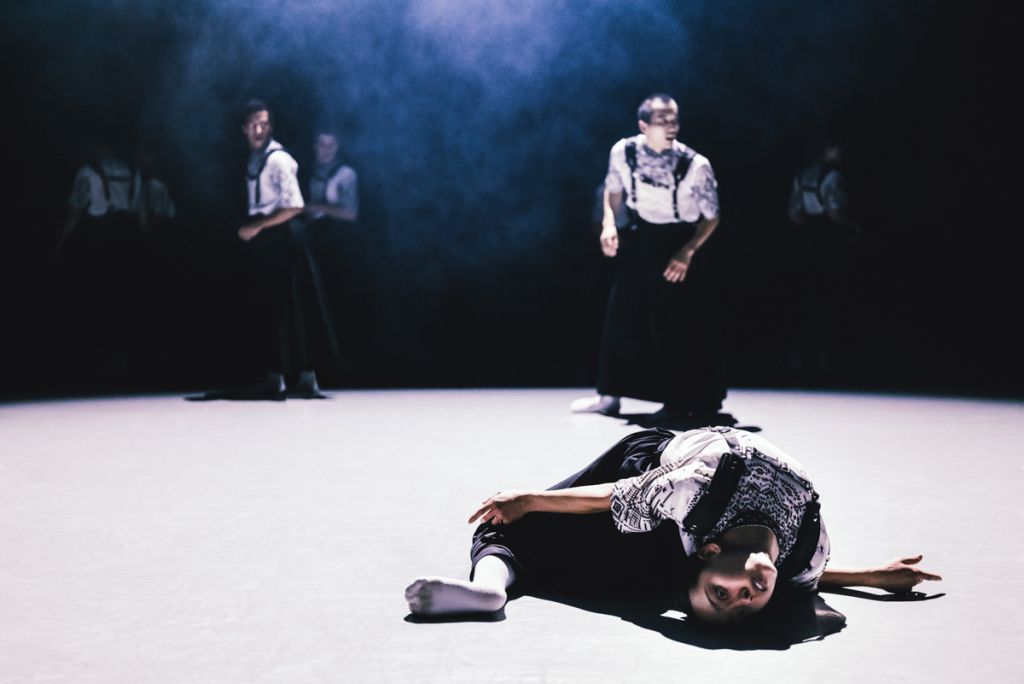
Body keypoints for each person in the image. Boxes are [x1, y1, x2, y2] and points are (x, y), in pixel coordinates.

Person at [405, 427, 941, 626]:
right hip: (649, 468)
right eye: (745, 599)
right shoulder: (807, 548)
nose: (746, 596)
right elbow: (613, 495)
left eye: (722, 597)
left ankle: (490, 592)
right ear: (708, 552)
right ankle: (510, 573)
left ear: (705, 555)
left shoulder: (697, 506)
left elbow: (610, 500)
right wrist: (873, 576)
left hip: (654, 506)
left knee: (511, 529)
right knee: (528, 514)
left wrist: (525, 506)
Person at [571, 94, 727, 423]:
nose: (671, 126)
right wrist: (609, 224)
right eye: (662, 121)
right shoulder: (624, 151)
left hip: (680, 238)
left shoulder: (695, 165)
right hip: (643, 234)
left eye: (674, 120)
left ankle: (679, 401)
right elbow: (613, 189)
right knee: (621, 312)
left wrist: (687, 251)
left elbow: (712, 217)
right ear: (644, 125)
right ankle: (609, 396)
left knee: (672, 321)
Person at [191, 99, 324, 400]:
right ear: (244, 128)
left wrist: (258, 226)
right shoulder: (254, 158)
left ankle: (303, 377)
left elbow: (294, 206)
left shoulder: (278, 159)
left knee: (292, 305)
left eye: (264, 124)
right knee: (275, 307)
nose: (259, 129)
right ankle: (280, 375)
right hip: (271, 237)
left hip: (285, 235)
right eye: (254, 124)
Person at [786, 139, 862, 384]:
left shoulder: (803, 175)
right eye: (839, 147)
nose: (843, 152)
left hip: (808, 239)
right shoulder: (833, 176)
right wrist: (855, 226)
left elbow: (794, 213)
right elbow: (834, 211)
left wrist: (809, 228)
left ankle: (801, 361)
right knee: (829, 299)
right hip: (829, 241)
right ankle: (825, 363)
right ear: (828, 149)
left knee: (806, 299)